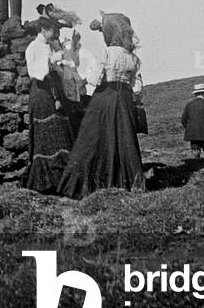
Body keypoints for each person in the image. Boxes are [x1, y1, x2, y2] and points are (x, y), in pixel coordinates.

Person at [57, 12, 145, 200]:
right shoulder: (133, 57)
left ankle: (86, 184)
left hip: (105, 98)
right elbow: (136, 87)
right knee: (123, 139)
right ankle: (128, 182)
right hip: (125, 99)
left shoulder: (107, 53)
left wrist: (75, 73)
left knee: (91, 139)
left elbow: (94, 79)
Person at [21, 14, 73, 194]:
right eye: (55, 30)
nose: (57, 33)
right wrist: (50, 62)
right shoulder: (33, 48)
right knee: (47, 136)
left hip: (54, 92)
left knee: (60, 134)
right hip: (42, 94)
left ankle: (62, 180)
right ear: (43, 30)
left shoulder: (50, 46)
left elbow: (57, 70)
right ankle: (47, 181)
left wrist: (59, 62)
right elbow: (35, 73)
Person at [181, 83, 204, 158]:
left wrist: (190, 128)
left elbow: (183, 120)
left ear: (195, 94)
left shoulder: (189, 105)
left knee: (195, 156)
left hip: (193, 135)